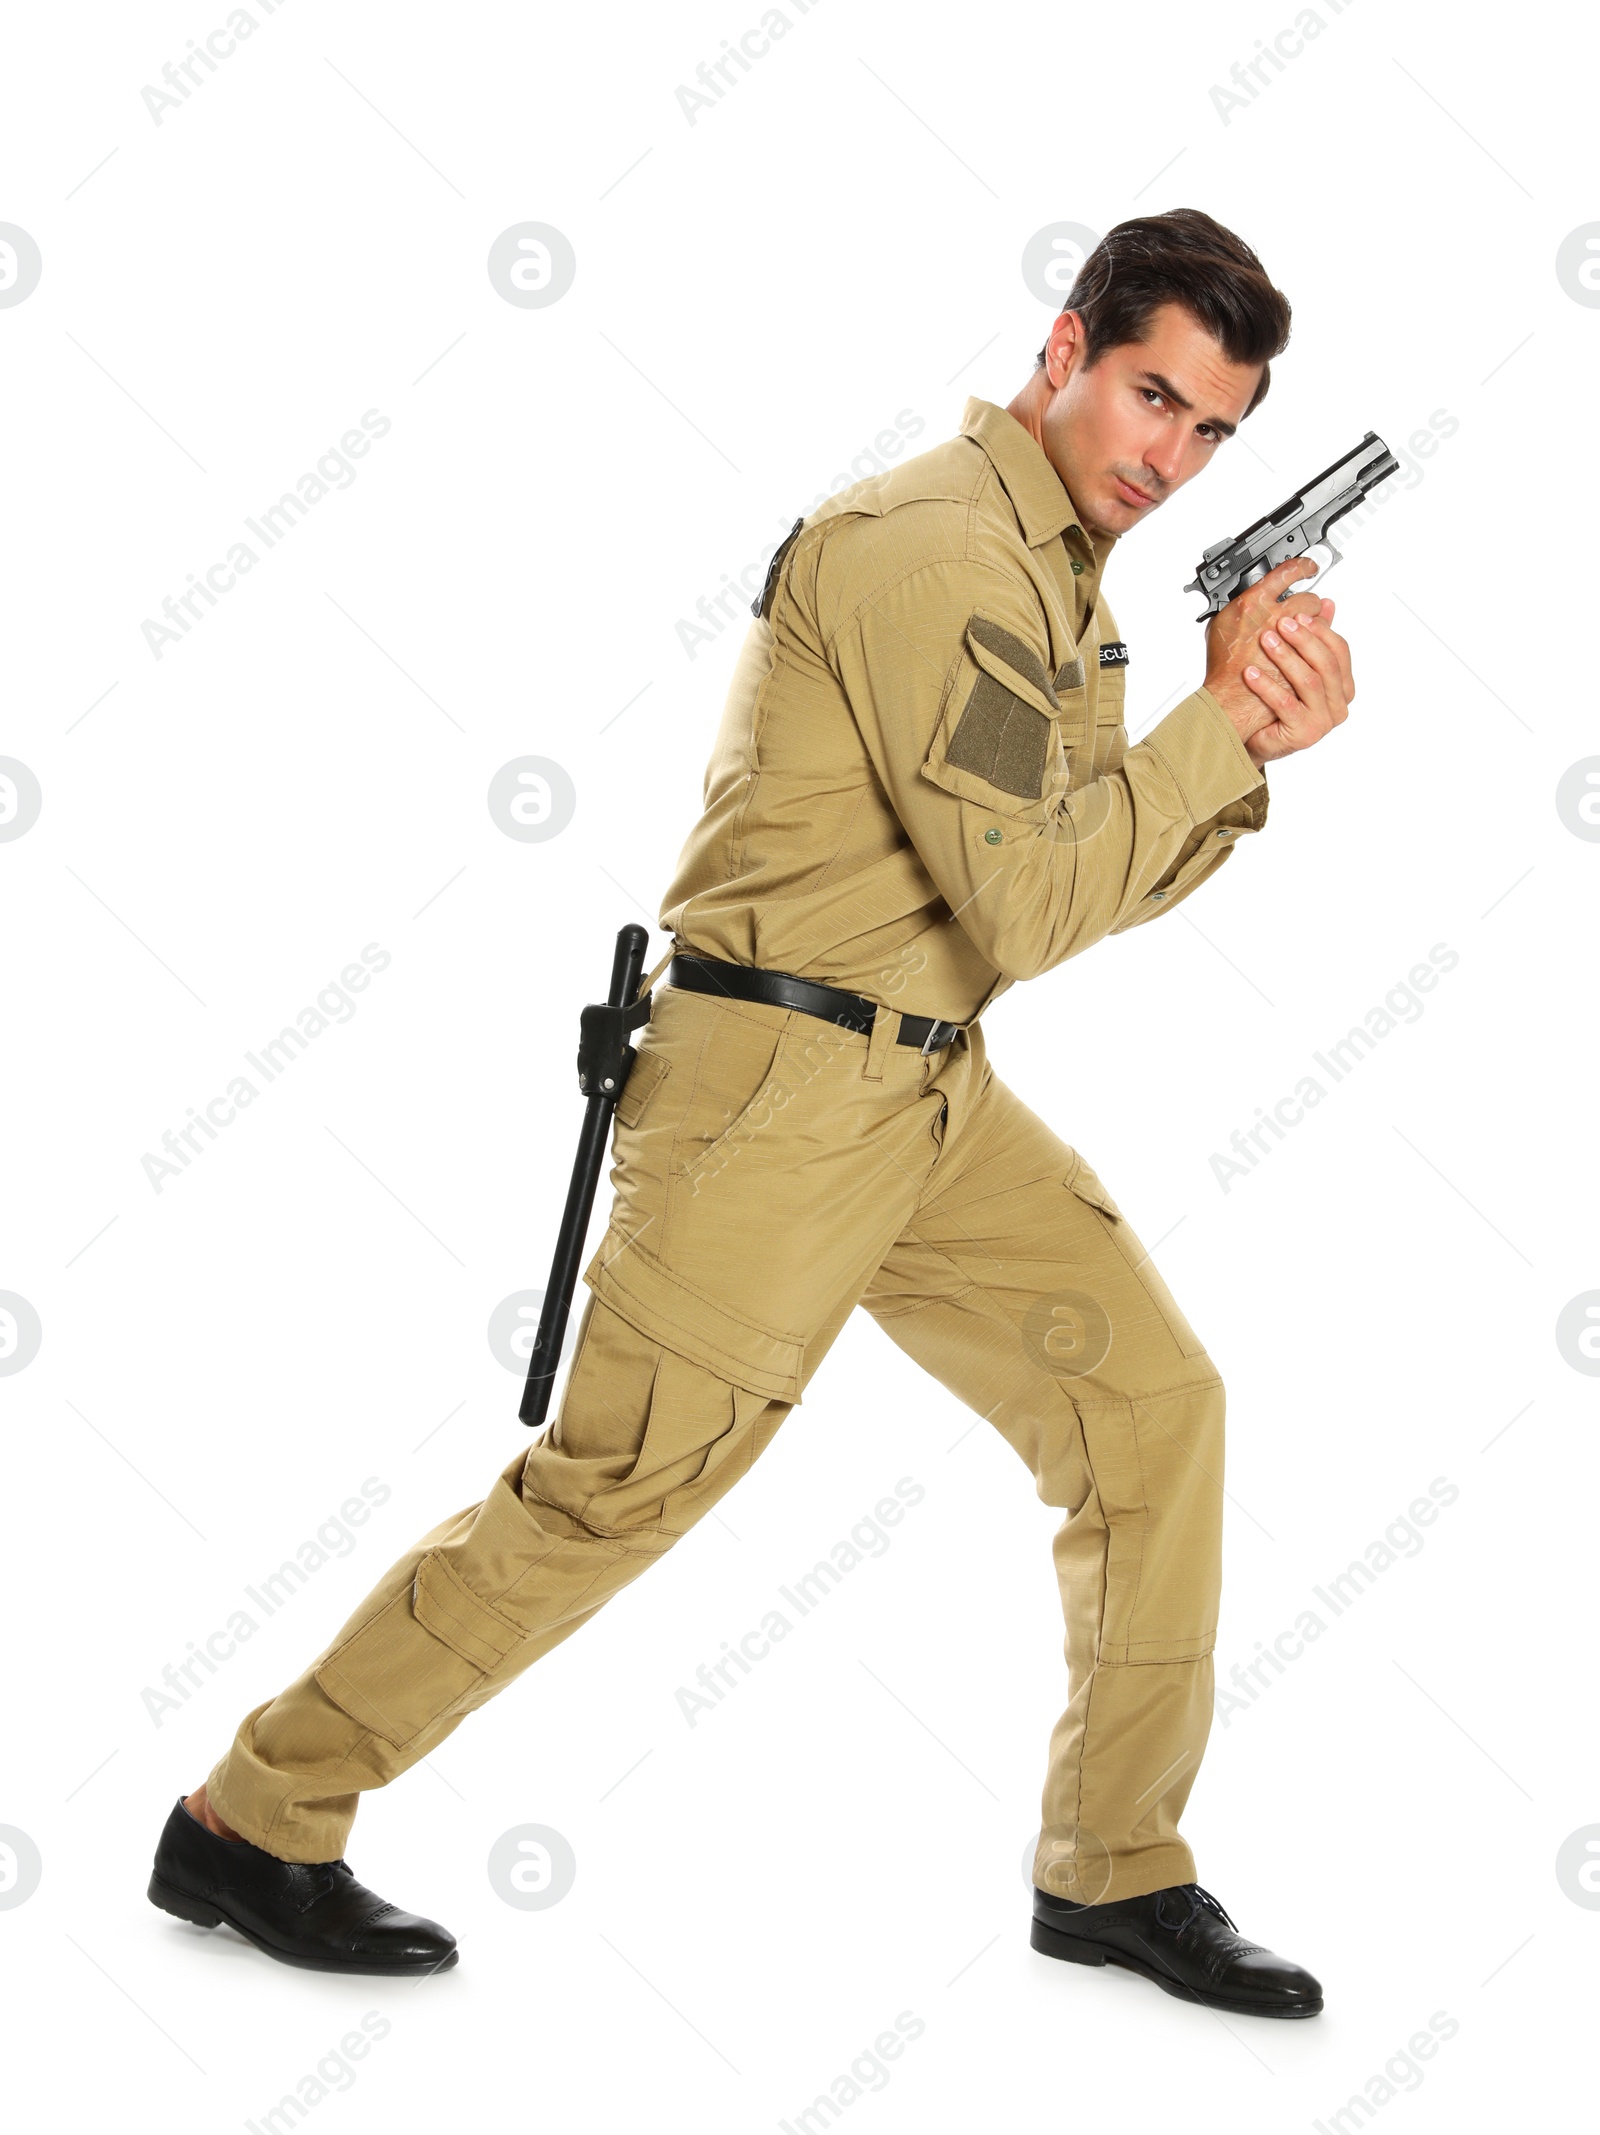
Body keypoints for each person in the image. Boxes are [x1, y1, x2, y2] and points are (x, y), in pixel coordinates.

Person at [150, 206, 1352, 2017]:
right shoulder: (940, 552)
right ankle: (255, 1820)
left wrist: (1232, 755)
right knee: (616, 1493)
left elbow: (1060, 884)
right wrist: (1222, 736)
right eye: (1150, 396)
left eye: (1209, 432)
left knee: (1150, 1405)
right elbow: (1033, 906)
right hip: (776, 1102)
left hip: (927, 1089)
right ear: (1063, 350)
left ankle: (1115, 1869)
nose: (1167, 458)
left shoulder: (1055, 580)